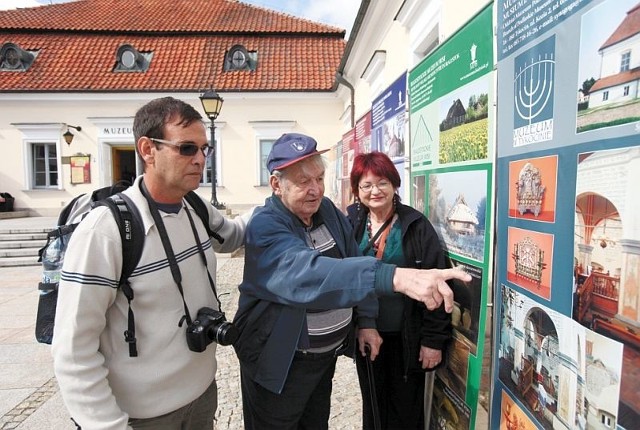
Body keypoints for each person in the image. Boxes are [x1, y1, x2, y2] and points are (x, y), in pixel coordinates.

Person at [232, 132, 470, 429]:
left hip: (322, 360)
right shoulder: (266, 224)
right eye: (303, 181)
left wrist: (367, 322)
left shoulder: (327, 210)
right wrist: (394, 276)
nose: (315, 189)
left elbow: (351, 259)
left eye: (319, 178)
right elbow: (307, 273)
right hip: (280, 363)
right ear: (277, 184)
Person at [52, 96, 250, 430]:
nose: (200, 159)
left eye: (205, 149)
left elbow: (234, 235)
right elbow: (73, 349)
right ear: (148, 149)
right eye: (187, 148)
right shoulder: (106, 231)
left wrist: (287, 195)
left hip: (202, 398)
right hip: (143, 417)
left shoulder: (196, 208)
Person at [347, 151, 452, 429]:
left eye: (382, 182)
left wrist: (433, 340)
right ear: (357, 191)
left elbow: (438, 286)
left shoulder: (416, 226)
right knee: (373, 407)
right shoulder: (352, 223)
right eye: (366, 185)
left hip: (408, 338)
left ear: (394, 184)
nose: (375, 191)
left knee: (406, 410)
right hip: (365, 334)